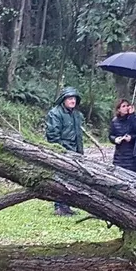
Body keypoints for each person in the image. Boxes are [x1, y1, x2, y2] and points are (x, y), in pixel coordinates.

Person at [44, 85, 84, 215]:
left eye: (74, 99)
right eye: (70, 98)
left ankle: (66, 206)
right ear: (63, 99)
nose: (73, 101)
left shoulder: (76, 114)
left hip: (75, 152)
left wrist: (79, 152)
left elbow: (78, 135)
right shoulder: (55, 113)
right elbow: (52, 136)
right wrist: (62, 152)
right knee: (60, 179)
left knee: (71, 180)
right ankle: (58, 207)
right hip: (62, 152)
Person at [108, 99, 136, 172]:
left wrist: (131, 138)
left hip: (132, 157)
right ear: (119, 109)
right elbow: (111, 135)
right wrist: (115, 139)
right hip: (119, 157)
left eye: (127, 106)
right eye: (123, 106)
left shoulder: (134, 118)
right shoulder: (114, 121)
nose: (126, 108)